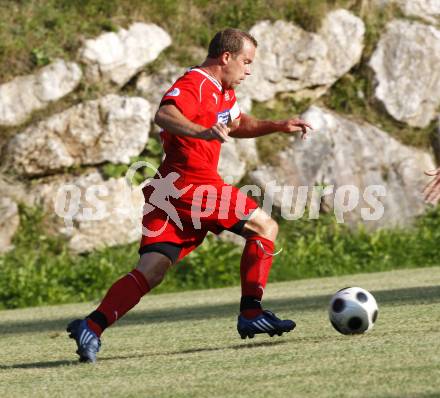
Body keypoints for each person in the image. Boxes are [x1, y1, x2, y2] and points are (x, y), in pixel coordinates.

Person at [67, 28, 313, 363]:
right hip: (193, 186)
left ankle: (91, 327)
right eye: (246, 62)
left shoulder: (223, 92)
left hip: (170, 192)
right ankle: (251, 312)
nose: (249, 70)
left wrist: (277, 125)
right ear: (225, 57)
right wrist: (202, 131)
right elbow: (165, 114)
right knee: (265, 227)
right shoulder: (196, 83)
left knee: (152, 269)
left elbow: (238, 123)